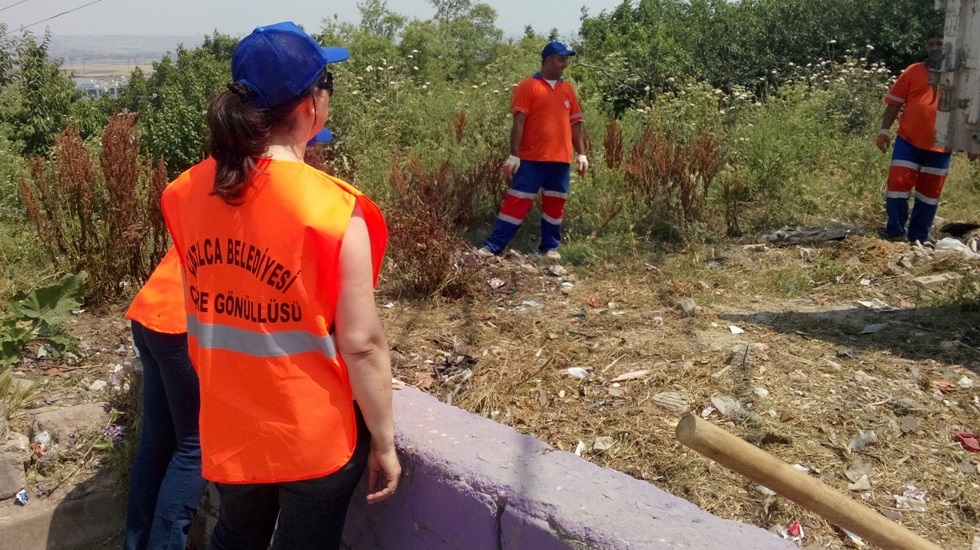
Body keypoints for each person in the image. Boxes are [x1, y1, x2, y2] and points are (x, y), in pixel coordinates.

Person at [159, 22, 400, 550]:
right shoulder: (332, 208)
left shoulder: (182, 193)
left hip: (230, 422)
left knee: (235, 535)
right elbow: (361, 344)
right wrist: (384, 441)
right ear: (312, 104)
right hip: (311, 435)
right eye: (327, 84)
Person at [123, 248, 207, 550]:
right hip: (182, 324)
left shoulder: (209, 213)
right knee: (196, 446)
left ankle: (136, 543)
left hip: (151, 311)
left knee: (157, 437)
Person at [478, 41, 589, 260]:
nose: (565, 64)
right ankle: (493, 246)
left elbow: (576, 124)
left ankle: (550, 248)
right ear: (548, 60)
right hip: (531, 158)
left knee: (555, 205)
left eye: (566, 60)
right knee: (517, 201)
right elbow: (519, 122)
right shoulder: (528, 86)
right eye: (561, 59)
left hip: (561, 159)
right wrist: (514, 155)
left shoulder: (567, 89)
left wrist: (582, 154)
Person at [875, 29, 951, 243]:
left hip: (941, 145)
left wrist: (974, 144)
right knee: (897, 185)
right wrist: (884, 130)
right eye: (931, 44)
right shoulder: (914, 71)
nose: (935, 48)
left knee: (929, 194)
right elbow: (894, 103)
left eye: (940, 44)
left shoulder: (961, 77)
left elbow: (970, 110)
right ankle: (895, 232)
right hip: (908, 141)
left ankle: (918, 238)